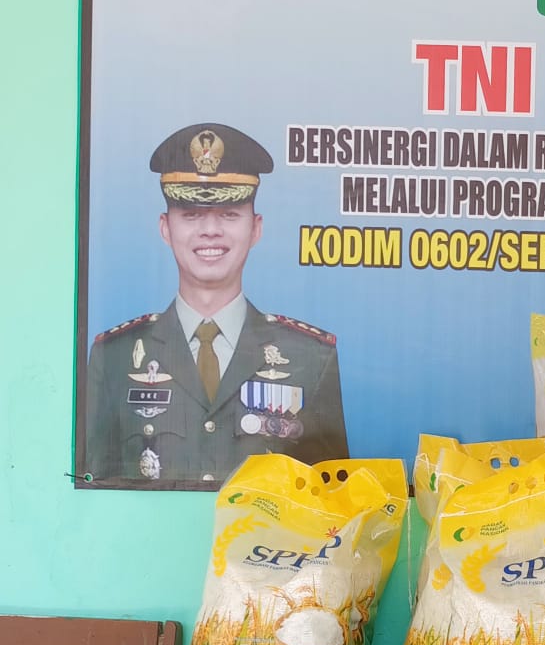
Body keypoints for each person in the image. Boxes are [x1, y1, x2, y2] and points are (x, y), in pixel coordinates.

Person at [84, 122, 348, 487]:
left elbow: (333, 502)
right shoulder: (114, 358)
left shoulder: (310, 358)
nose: (210, 230)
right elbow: (92, 498)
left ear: (256, 228)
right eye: (191, 214)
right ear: (165, 228)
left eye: (229, 214)